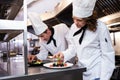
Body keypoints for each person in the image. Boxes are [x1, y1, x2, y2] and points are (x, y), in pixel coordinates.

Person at [53, 0, 115, 80]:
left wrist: (104, 78)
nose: (75, 22)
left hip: (96, 73)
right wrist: (64, 54)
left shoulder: (101, 27)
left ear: (88, 18)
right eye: (74, 18)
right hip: (82, 72)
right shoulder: (73, 28)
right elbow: (73, 48)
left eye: (79, 20)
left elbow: (107, 54)